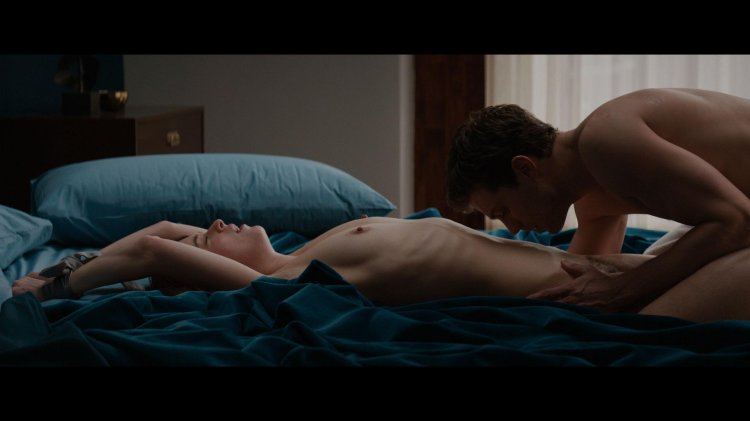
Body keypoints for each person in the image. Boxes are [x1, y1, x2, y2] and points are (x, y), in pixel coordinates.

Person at [12, 217, 750, 322]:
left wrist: (86, 257)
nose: (216, 223)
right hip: (617, 294)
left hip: (616, 260)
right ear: (204, 269)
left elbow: (162, 233)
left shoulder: (307, 244)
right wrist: (56, 283)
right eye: (211, 238)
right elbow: (155, 252)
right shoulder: (288, 281)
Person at [446, 88, 750, 313]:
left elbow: (738, 220)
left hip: (740, 215)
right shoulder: (591, 194)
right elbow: (580, 288)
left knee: (654, 308)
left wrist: (624, 287)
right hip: (738, 209)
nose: (512, 228)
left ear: (525, 169)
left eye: (503, 211)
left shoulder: (605, 140)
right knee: (649, 276)